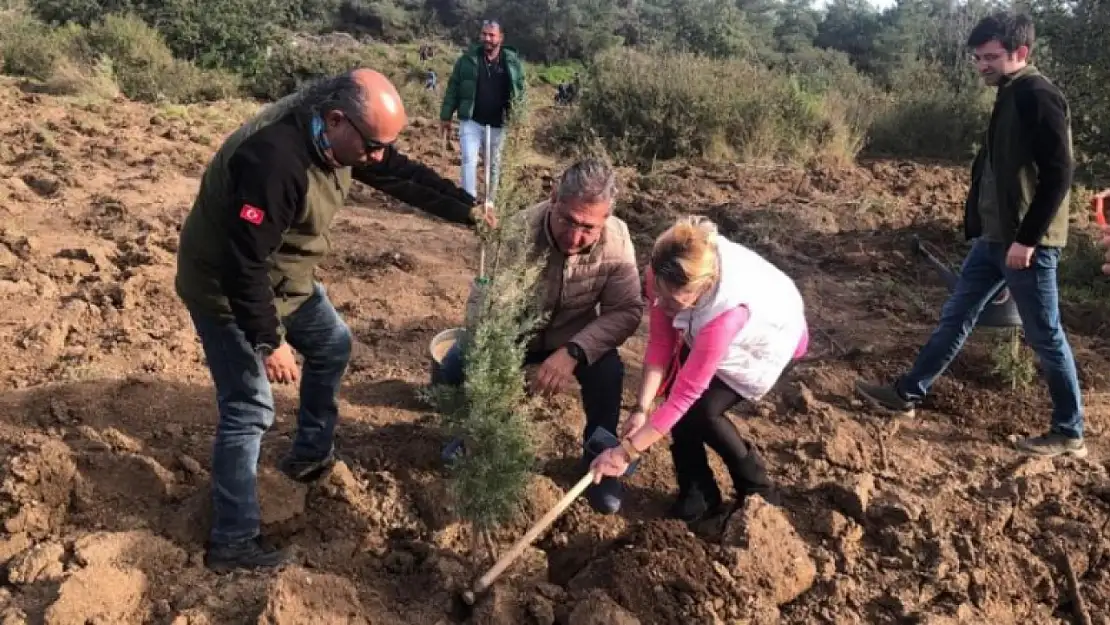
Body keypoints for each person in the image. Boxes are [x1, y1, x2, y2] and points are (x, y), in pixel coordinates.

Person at [174, 68, 494, 573]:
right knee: (249, 408)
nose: (377, 156)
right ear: (337, 119)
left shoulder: (340, 139)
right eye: (372, 145)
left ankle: (309, 456)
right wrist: (269, 340)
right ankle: (233, 540)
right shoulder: (275, 160)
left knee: (332, 344)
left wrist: (467, 209)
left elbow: (401, 174)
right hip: (227, 290)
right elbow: (242, 266)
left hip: (285, 278)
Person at [854, 12, 1085, 458]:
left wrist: (1028, 240)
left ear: (1022, 52)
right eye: (978, 57)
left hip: (1025, 246)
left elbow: (1060, 174)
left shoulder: (1038, 95)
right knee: (956, 316)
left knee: (1045, 336)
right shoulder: (1009, 91)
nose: (982, 65)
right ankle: (907, 394)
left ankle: (1069, 429)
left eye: (991, 57)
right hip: (994, 241)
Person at [439, 157, 644, 514]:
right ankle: (475, 434)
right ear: (554, 198)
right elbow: (485, 310)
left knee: (608, 371)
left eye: (589, 228)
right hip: (516, 337)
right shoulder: (517, 233)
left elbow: (625, 311)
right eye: (569, 221)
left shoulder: (617, 241)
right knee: (458, 363)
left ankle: (600, 460)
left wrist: (574, 352)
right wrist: (506, 360)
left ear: (606, 218)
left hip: (574, 340)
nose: (576, 237)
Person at [589, 217, 808, 523]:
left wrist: (625, 452)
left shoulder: (723, 319)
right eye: (658, 294)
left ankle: (758, 492)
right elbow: (660, 343)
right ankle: (698, 496)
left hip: (765, 342)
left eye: (672, 301)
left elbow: (684, 397)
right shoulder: (663, 273)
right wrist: (641, 408)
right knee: (677, 407)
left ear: (701, 290)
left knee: (703, 411)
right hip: (705, 324)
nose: (660, 305)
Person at [439, 19, 526, 201]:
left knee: (494, 164)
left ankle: (490, 203)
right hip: (472, 120)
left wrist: (519, 120)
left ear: (500, 38)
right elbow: (453, 87)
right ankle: (468, 200)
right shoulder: (467, 60)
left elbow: (520, 92)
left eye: (491, 35)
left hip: (499, 123)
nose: (487, 38)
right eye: (484, 34)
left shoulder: (512, 63)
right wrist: (446, 116)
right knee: (469, 160)